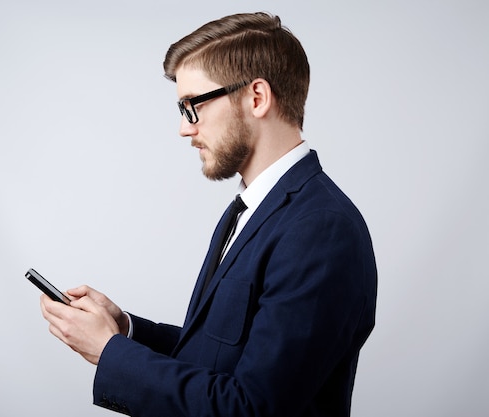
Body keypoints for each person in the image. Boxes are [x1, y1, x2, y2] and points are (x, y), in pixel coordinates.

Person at [40, 11, 377, 417]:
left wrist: (109, 353)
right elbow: (218, 358)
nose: (185, 128)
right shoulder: (249, 210)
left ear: (256, 98)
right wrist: (124, 329)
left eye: (192, 106)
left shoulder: (321, 229)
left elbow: (251, 408)